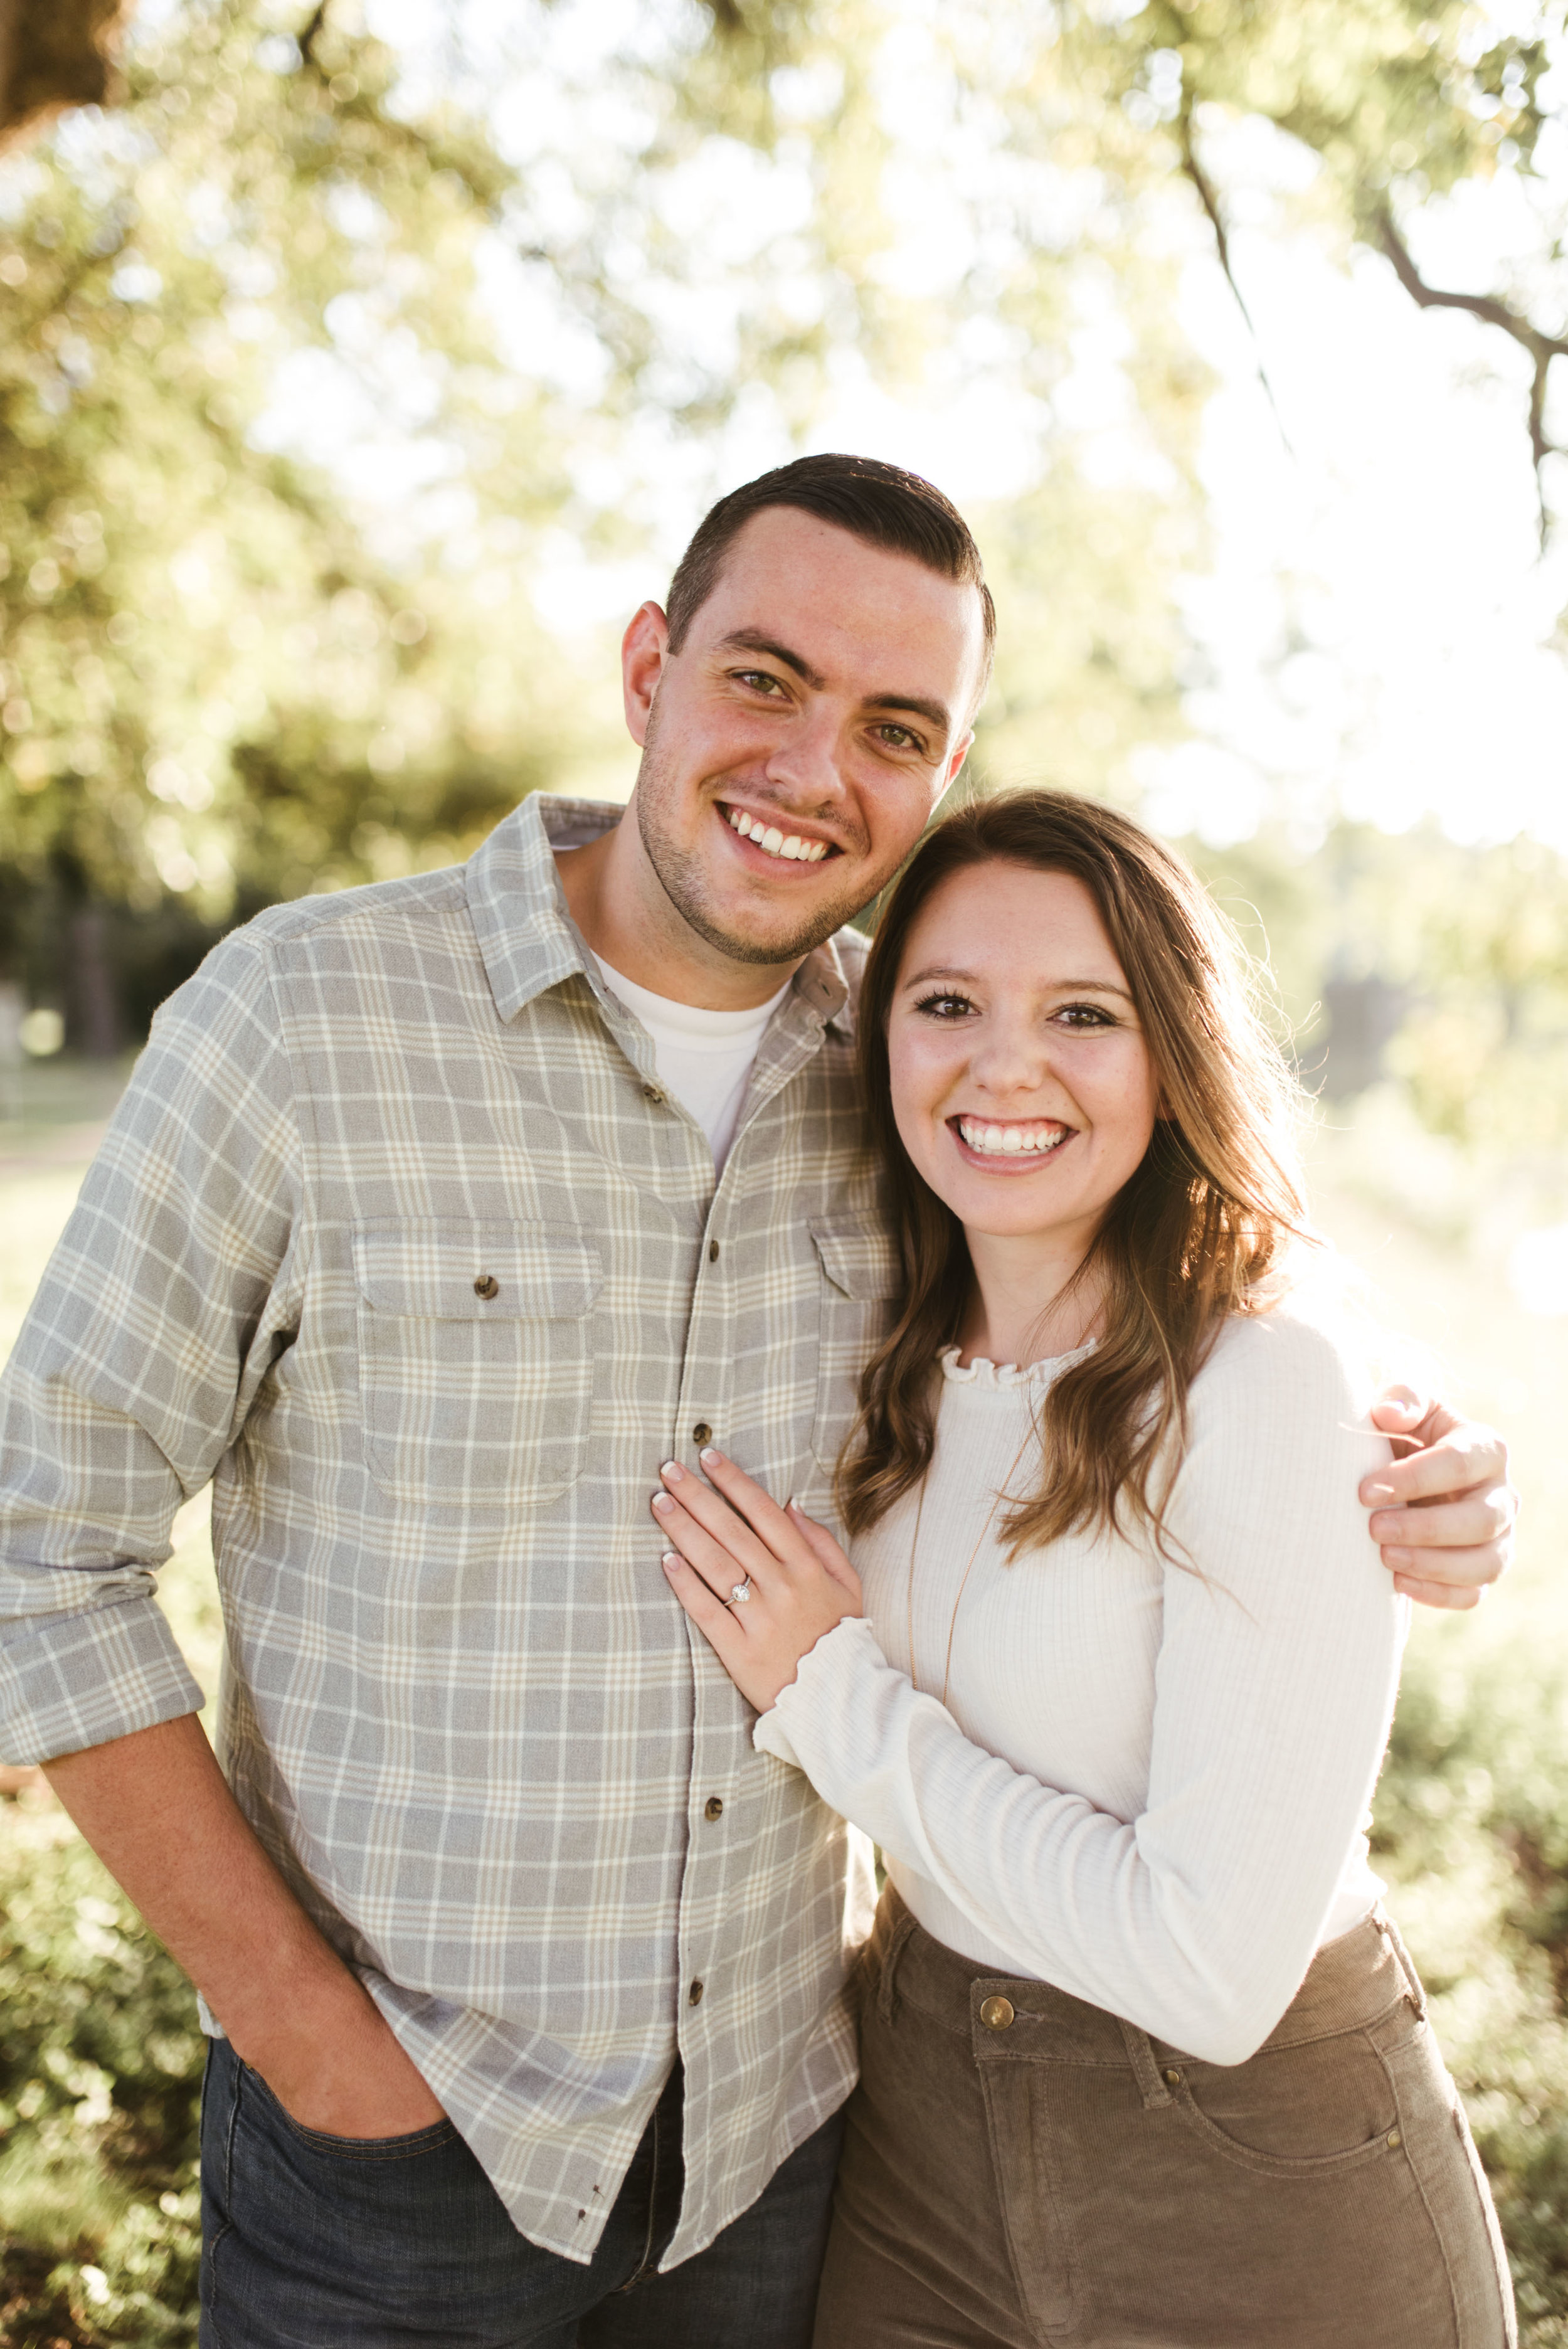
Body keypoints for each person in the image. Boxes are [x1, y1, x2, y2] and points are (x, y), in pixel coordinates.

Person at [0, 460, 1513, 2349]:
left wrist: (1391, 1426)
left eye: (893, 726)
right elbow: (37, 1551)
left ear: (940, 776)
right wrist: (315, 2047)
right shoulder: (303, 1021)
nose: (814, 764)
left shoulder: (904, 1054)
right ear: (650, 666)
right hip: (398, 2155)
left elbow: (1154, 1226)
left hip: (776, 2157)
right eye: (765, 680)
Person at [654, 787, 1517, 2349]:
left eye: (1079, 1012)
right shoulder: (881, 1346)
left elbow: (1204, 1972)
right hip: (915, 2141)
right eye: (944, 1004)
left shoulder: (1258, 1383)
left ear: (1169, 1051)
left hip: (1251, 2184)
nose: (1004, 1063)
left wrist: (829, 1695)